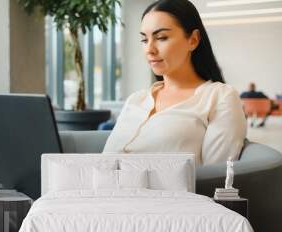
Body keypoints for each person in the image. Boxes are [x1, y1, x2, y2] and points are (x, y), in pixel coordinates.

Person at [103, 0, 247, 166]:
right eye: (144, 40)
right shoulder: (136, 99)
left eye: (161, 37)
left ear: (193, 40)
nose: (149, 49)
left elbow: (216, 176)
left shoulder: (219, 97)